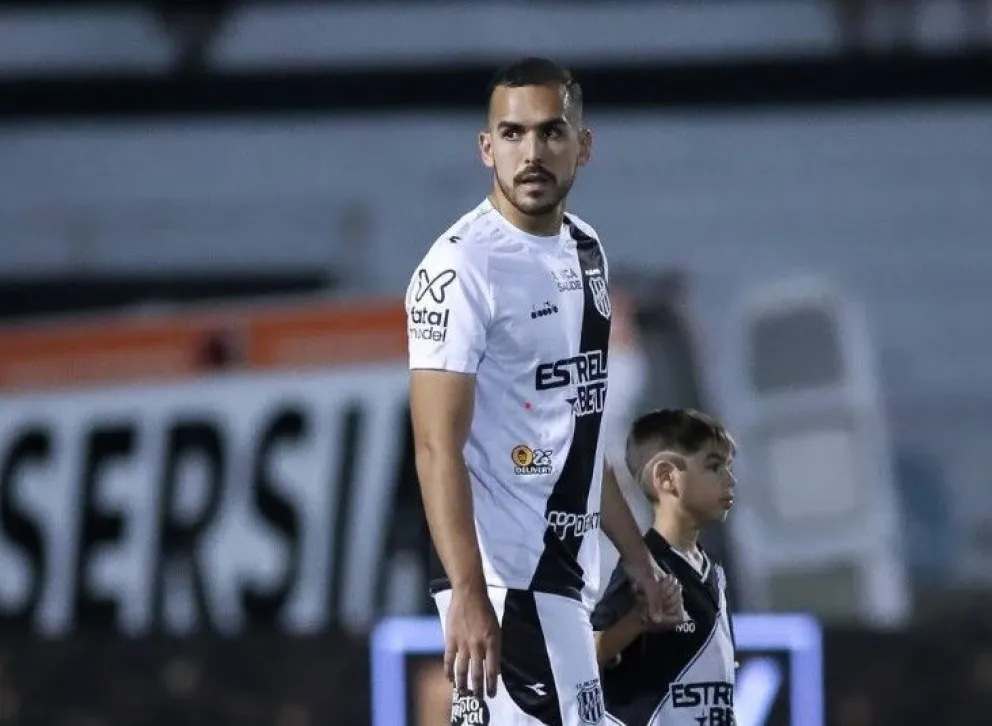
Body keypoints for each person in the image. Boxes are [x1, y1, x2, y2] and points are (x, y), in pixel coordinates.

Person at [406, 57, 685, 726]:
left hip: (564, 581)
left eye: (551, 132)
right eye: (512, 133)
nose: (531, 153)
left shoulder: (585, 251)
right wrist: (469, 592)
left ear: (582, 146)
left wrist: (639, 562)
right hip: (506, 585)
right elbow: (436, 446)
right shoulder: (461, 268)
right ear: (486, 147)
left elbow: (577, 438)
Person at [591, 408, 738, 726]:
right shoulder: (646, 569)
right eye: (714, 466)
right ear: (666, 477)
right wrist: (638, 621)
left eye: (729, 467)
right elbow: (589, 652)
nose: (730, 480)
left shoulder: (713, 572)